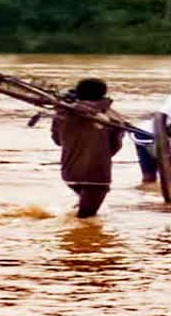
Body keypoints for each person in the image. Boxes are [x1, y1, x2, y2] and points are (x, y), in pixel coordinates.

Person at [51, 79, 124, 218]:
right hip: (96, 175)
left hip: (69, 172)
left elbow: (57, 141)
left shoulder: (62, 112)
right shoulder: (112, 118)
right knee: (86, 218)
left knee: (83, 214)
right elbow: (115, 146)